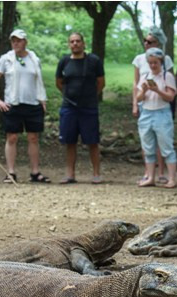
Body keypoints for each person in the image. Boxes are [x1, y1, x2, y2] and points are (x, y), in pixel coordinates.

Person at [0, 29, 50, 184]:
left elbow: (38, 80)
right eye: (13, 40)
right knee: (12, 137)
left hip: (33, 103)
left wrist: (42, 99)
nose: (16, 43)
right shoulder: (6, 59)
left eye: (19, 40)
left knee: (33, 137)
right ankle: (11, 172)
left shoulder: (34, 58)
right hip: (13, 104)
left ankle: (35, 173)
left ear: (25, 42)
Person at [55, 32, 105, 184]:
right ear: (69, 44)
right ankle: (70, 174)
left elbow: (101, 83)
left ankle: (96, 174)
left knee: (92, 141)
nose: (75, 44)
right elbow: (59, 82)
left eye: (78, 41)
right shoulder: (64, 61)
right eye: (72, 42)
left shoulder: (94, 61)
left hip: (89, 107)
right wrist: (68, 95)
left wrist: (90, 96)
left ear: (83, 43)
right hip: (69, 107)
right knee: (70, 141)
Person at [132, 27, 175, 185]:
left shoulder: (166, 72)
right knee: (148, 144)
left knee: (165, 144)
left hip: (162, 110)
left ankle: (166, 175)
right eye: (145, 40)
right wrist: (137, 100)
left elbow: (170, 92)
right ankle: (149, 175)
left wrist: (158, 90)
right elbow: (136, 86)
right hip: (146, 110)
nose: (146, 43)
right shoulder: (143, 69)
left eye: (150, 41)